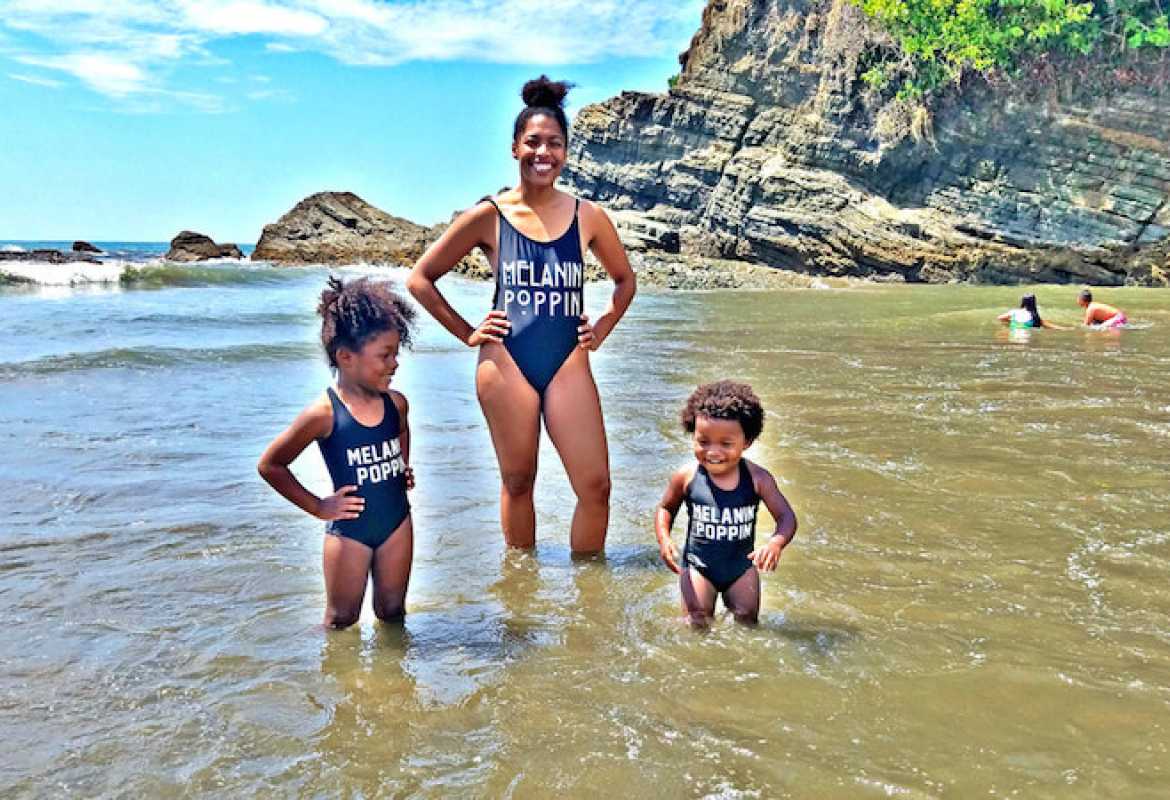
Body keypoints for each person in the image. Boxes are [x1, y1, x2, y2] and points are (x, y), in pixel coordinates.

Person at [407, 75, 636, 555]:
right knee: (518, 482)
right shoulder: (488, 215)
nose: (542, 153)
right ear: (515, 148)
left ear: (567, 153)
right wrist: (469, 331)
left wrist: (603, 327)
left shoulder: (588, 216)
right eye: (532, 142)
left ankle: (589, 602)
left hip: (567, 361)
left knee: (596, 488)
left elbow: (624, 280)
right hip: (505, 361)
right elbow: (421, 279)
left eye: (554, 143)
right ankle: (521, 594)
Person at [258, 276, 417, 628]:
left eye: (396, 353)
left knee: (392, 613)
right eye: (384, 355)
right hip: (350, 533)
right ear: (346, 357)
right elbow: (271, 465)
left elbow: (401, 430)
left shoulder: (396, 403)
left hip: (397, 523)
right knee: (341, 620)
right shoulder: (324, 414)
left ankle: (394, 682)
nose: (395, 363)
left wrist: (402, 464)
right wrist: (318, 506)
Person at [655, 381, 797, 626]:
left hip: (740, 568)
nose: (713, 451)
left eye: (726, 444)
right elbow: (665, 509)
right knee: (696, 621)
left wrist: (775, 544)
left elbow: (786, 517)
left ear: (747, 442)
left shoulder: (758, 479)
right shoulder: (686, 477)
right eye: (703, 441)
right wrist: (664, 539)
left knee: (746, 621)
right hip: (698, 567)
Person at [997, 293, 1065, 329]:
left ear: (1022, 302)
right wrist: (1066, 329)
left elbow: (999, 318)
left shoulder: (1014, 312)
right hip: (1027, 336)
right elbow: (1052, 327)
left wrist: (1011, 321)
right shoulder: (1034, 317)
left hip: (1014, 337)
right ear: (1034, 303)